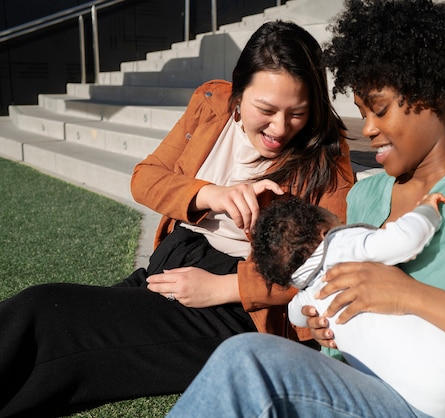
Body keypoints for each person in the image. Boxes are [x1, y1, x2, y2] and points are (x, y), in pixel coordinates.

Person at [167, 0, 445, 417]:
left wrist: (409, 296)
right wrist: (330, 332)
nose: (369, 129)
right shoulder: (368, 196)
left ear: (434, 95)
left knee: (248, 362)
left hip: (435, 408)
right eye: (361, 111)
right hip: (359, 390)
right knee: (246, 360)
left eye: (379, 109)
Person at [0, 20, 353, 417]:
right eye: (266, 110)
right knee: (52, 329)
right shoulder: (210, 103)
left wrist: (222, 288)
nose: (280, 128)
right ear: (238, 93)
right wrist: (210, 194)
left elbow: (325, 263)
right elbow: (146, 178)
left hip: (236, 308)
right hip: (172, 266)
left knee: (46, 314)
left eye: (298, 113)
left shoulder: (328, 153)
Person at [250, 194, 445, 417]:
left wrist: (307, 316)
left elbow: (295, 314)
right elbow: (403, 241)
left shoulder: (307, 295)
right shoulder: (341, 244)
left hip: (414, 399)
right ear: (323, 231)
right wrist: (426, 210)